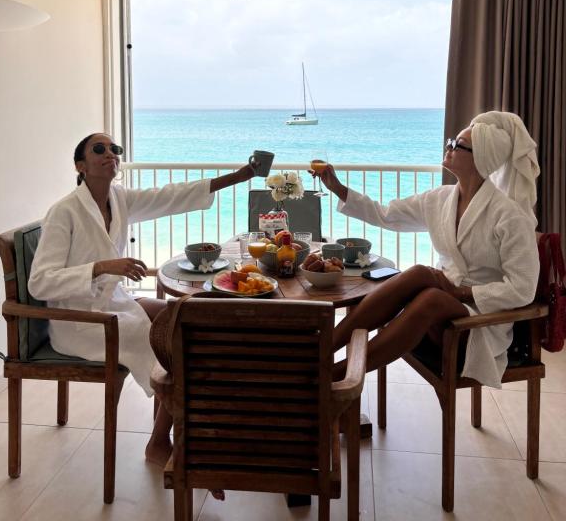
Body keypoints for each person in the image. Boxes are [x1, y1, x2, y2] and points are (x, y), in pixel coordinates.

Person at [28, 132, 259, 470]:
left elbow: (170, 195)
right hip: (81, 321)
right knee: (170, 343)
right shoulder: (65, 212)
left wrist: (238, 177)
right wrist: (102, 267)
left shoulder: (118, 199)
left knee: (180, 316)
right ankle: (169, 441)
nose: (110, 154)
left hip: (112, 303)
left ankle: (186, 428)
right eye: (99, 149)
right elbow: (40, 283)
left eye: (114, 149)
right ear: (81, 165)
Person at [313, 111, 541, 388]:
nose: (449, 147)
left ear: (480, 157)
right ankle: (320, 353)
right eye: (451, 141)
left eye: (458, 145)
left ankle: (334, 377)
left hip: (481, 319)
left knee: (432, 296)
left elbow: (523, 289)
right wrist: (338, 188)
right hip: (450, 296)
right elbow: (386, 214)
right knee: (421, 273)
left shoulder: (509, 215)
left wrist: (464, 292)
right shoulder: (441, 199)